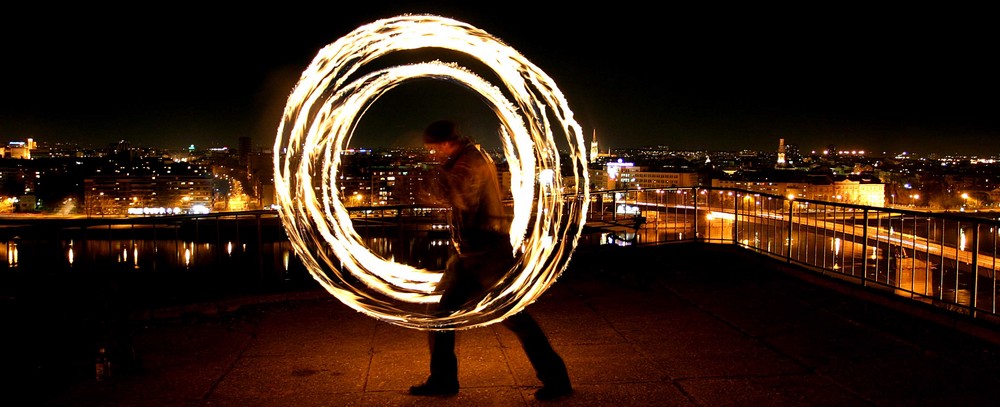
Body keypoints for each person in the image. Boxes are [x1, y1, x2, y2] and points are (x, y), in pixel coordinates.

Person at [410, 120, 573, 401]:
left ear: (447, 143)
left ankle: (557, 380)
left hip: (487, 255)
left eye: (433, 149)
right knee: (440, 315)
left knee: (515, 317)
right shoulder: (466, 158)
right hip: (468, 254)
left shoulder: (469, 163)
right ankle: (443, 380)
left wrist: (426, 184)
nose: (433, 155)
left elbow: (460, 196)